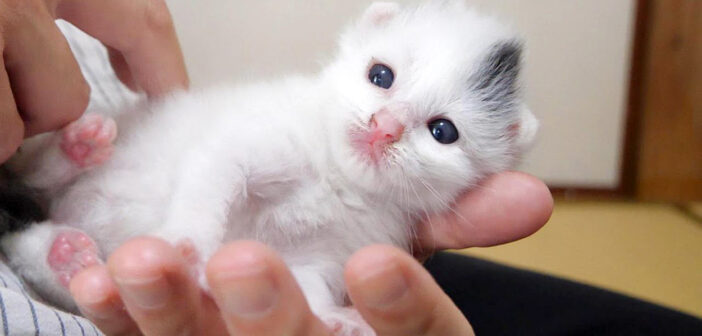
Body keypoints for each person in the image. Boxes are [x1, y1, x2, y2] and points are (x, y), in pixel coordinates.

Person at [0, 1, 699, 335]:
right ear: (364, 33)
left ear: (502, 152)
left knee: (99, 280)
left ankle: (39, 249)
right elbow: (227, 158)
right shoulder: (297, 118)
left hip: (113, 257)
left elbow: (296, 273)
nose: (386, 124)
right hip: (123, 177)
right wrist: (194, 236)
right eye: (383, 76)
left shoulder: (386, 225)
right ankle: (49, 188)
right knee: (75, 151)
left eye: (443, 130)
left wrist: (326, 314)